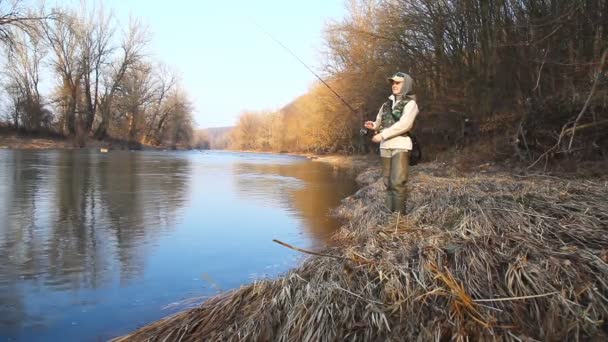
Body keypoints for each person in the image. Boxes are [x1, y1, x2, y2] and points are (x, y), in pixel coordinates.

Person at [364, 72, 419, 214]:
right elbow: (379, 122)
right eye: (393, 83)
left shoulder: (411, 103)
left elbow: (404, 124)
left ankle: (398, 218)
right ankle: (389, 214)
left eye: (398, 82)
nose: (394, 85)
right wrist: (374, 125)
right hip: (385, 146)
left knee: (398, 183)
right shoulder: (385, 104)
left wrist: (382, 135)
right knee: (387, 183)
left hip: (401, 145)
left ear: (405, 84)